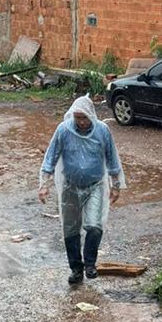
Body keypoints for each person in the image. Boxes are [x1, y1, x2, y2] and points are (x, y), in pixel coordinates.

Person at [39, 95, 126, 285]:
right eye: (77, 117)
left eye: (84, 117)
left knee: (94, 226)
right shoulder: (64, 130)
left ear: (91, 115)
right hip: (70, 187)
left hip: (94, 186)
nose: (81, 122)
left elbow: (112, 158)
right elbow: (50, 157)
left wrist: (116, 185)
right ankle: (76, 269)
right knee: (70, 229)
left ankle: (90, 264)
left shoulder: (102, 130)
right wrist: (44, 184)